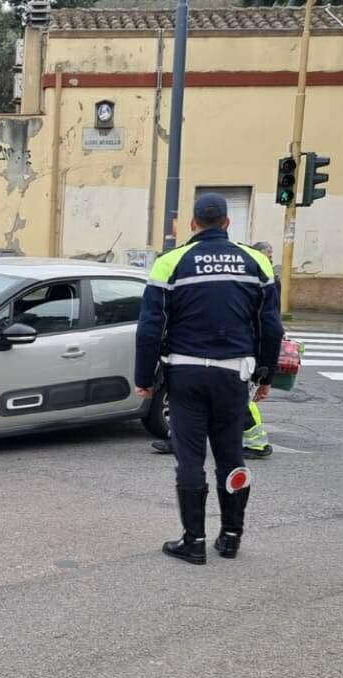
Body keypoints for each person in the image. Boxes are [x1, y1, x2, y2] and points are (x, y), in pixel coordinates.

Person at [135, 193, 284, 564]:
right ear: (228, 223)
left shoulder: (171, 262)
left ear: (192, 223)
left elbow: (151, 326)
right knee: (231, 454)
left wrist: (145, 378)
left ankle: (194, 541)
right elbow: (271, 325)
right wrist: (266, 373)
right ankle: (231, 538)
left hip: (185, 372)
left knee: (189, 457)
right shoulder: (256, 262)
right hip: (233, 373)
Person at [150, 242, 277, 460]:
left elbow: (266, 320)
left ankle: (257, 442)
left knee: (239, 403)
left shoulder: (255, 278)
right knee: (185, 399)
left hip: (234, 351)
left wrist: (264, 366)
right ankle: (177, 439)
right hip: (195, 350)